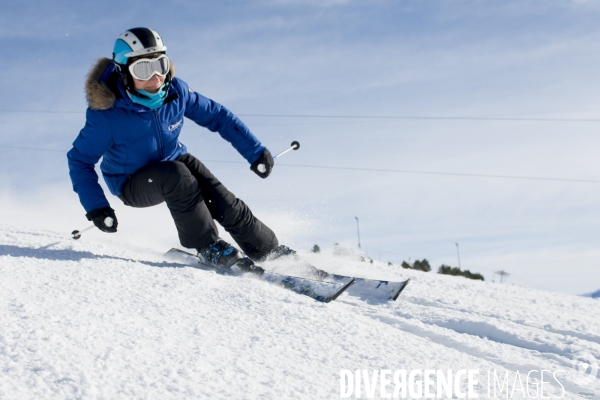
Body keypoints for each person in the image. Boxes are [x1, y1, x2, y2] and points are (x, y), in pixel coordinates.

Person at [67, 27, 293, 271]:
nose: (156, 76)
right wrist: (96, 207)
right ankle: (208, 245)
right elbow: (79, 160)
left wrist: (254, 150)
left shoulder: (176, 92)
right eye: (143, 68)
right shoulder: (107, 116)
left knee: (223, 200)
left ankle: (267, 249)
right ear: (124, 73)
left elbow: (217, 116)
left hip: (175, 160)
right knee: (177, 175)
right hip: (131, 182)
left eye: (161, 65)